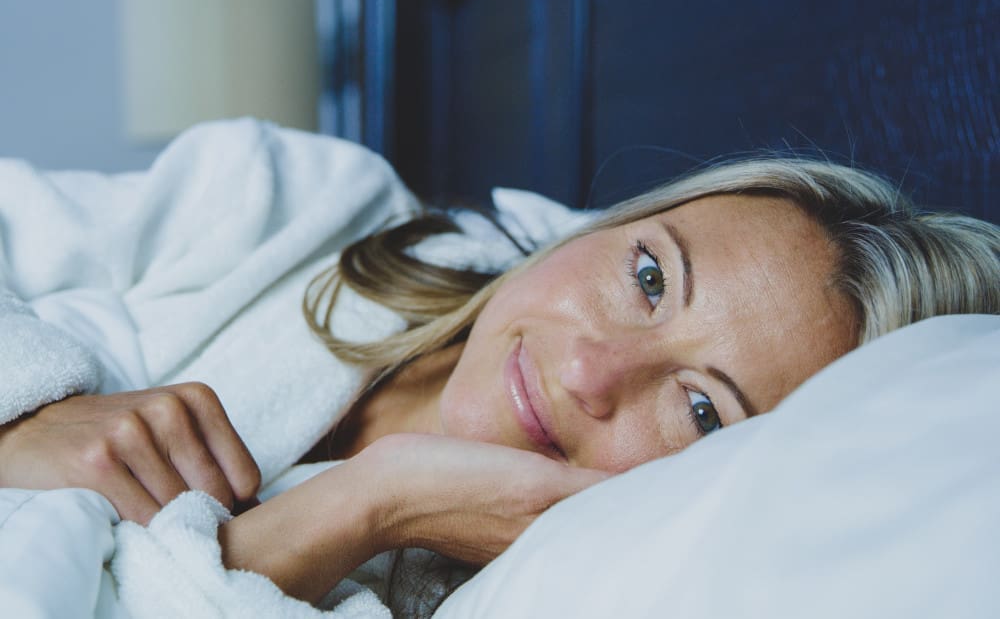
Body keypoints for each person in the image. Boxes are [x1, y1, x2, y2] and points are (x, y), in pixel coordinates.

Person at [1, 132, 998, 612]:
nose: (590, 367)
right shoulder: (305, 206)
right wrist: (28, 408)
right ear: (605, 228)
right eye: (648, 274)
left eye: (699, 408)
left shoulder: (515, 596)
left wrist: (364, 505)